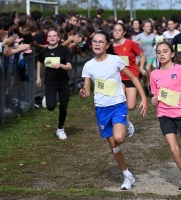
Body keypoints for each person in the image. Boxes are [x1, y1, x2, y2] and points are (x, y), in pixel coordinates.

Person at [79, 31, 148, 190]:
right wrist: (84, 94)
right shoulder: (88, 65)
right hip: (101, 109)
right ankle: (127, 175)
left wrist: (143, 98)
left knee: (119, 137)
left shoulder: (115, 60)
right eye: (94, 41)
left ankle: (126, 122)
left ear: (107, 45)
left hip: (118, 105)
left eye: (100, 42)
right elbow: (88, 91)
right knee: (114, 145)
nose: (96, 44)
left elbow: (133, 78)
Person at [150, 41, 181, 192]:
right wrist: (154, 100)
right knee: (174, 149)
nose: (162, 54)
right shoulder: (154, 74)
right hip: (164, 114)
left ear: (172, 54)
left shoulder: (180, 69)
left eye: (165, 51)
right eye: (159, 52)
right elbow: (155, 95)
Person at [36, 28, 72, 139]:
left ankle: (60, 128)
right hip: (50, 82)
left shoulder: (64, 50)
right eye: (50, 36)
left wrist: (60, 65)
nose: (52, 37)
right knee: (51, 107)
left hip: (63, 83)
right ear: (47, 38)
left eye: (54, 36)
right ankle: (47, 97)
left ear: (58, 38)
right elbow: (39, 61)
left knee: (63, 107)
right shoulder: (44, 51)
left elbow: (69, 66)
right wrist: (38, 77)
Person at [112, 23, 147, 137]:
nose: (116, 32)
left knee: (131, 106)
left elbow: (142, 55)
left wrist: (141, 67)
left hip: (131, 76)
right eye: (115, 30)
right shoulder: (111, 47)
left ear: (124, 32)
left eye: (119, 30)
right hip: (119, 78)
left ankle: (125, 120)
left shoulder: (130, 43)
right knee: (121, 102)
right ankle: (124, 123)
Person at [133, 20, 156, 95]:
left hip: (151, 55)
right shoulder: (140, 36)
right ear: (143, 27)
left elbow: (154, 43)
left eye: (150, 26)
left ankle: (150, 86)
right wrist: (137, 42)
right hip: (142, 57)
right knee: (143, 73)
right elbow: (131, 43)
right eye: (147, 26)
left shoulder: (153, 35)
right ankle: (145, 85)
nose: (149, 28)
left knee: (148, 69)